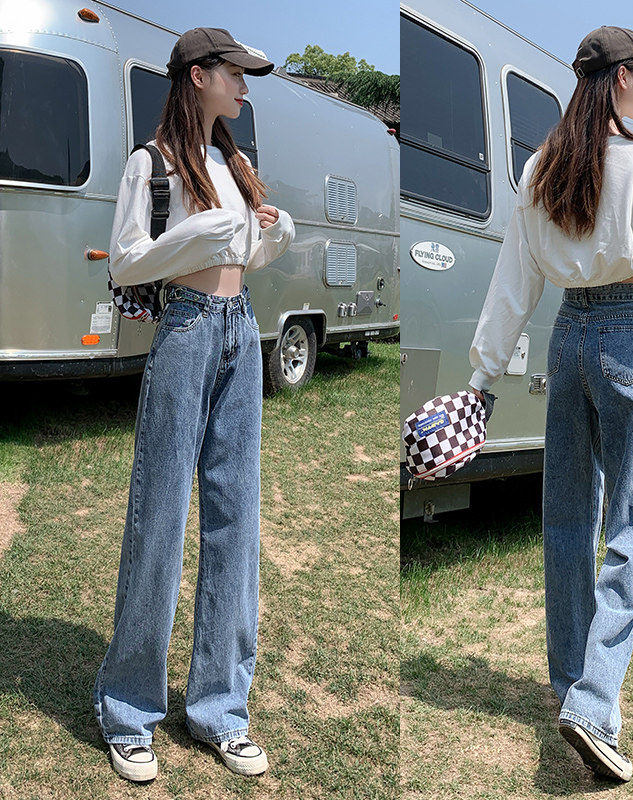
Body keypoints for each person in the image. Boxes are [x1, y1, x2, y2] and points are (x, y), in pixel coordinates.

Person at [468, 27, 633, 783]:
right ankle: (593, 704)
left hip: (566, 335)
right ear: (622, 76)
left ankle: (571, 686)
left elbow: (515, 278)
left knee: (566, 518)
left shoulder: (543, 165)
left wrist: (483, 374)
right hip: (628, 329)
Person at [93, 27, 295, 783]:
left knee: (236, 517)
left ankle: (221, 709)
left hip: (241, 329)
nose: (244, 86)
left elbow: (241, 256)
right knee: (160, 513)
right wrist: (200, 232)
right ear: (199, 75)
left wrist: (270, 236)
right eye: (235, 74)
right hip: (184, 329)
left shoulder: (233, 164)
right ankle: (128, 710)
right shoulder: (151, 162)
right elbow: (126, 261)